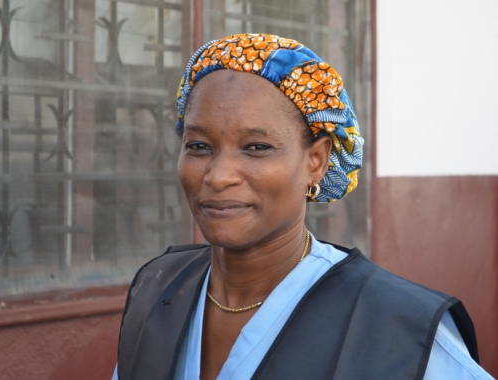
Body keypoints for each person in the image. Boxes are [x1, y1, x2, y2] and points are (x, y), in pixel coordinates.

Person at [112, 34, 493, 380]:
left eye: (256, 147)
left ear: (316, 161)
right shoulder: (157, 291)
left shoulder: (399, 330)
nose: (218, 175)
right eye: (198, 146)